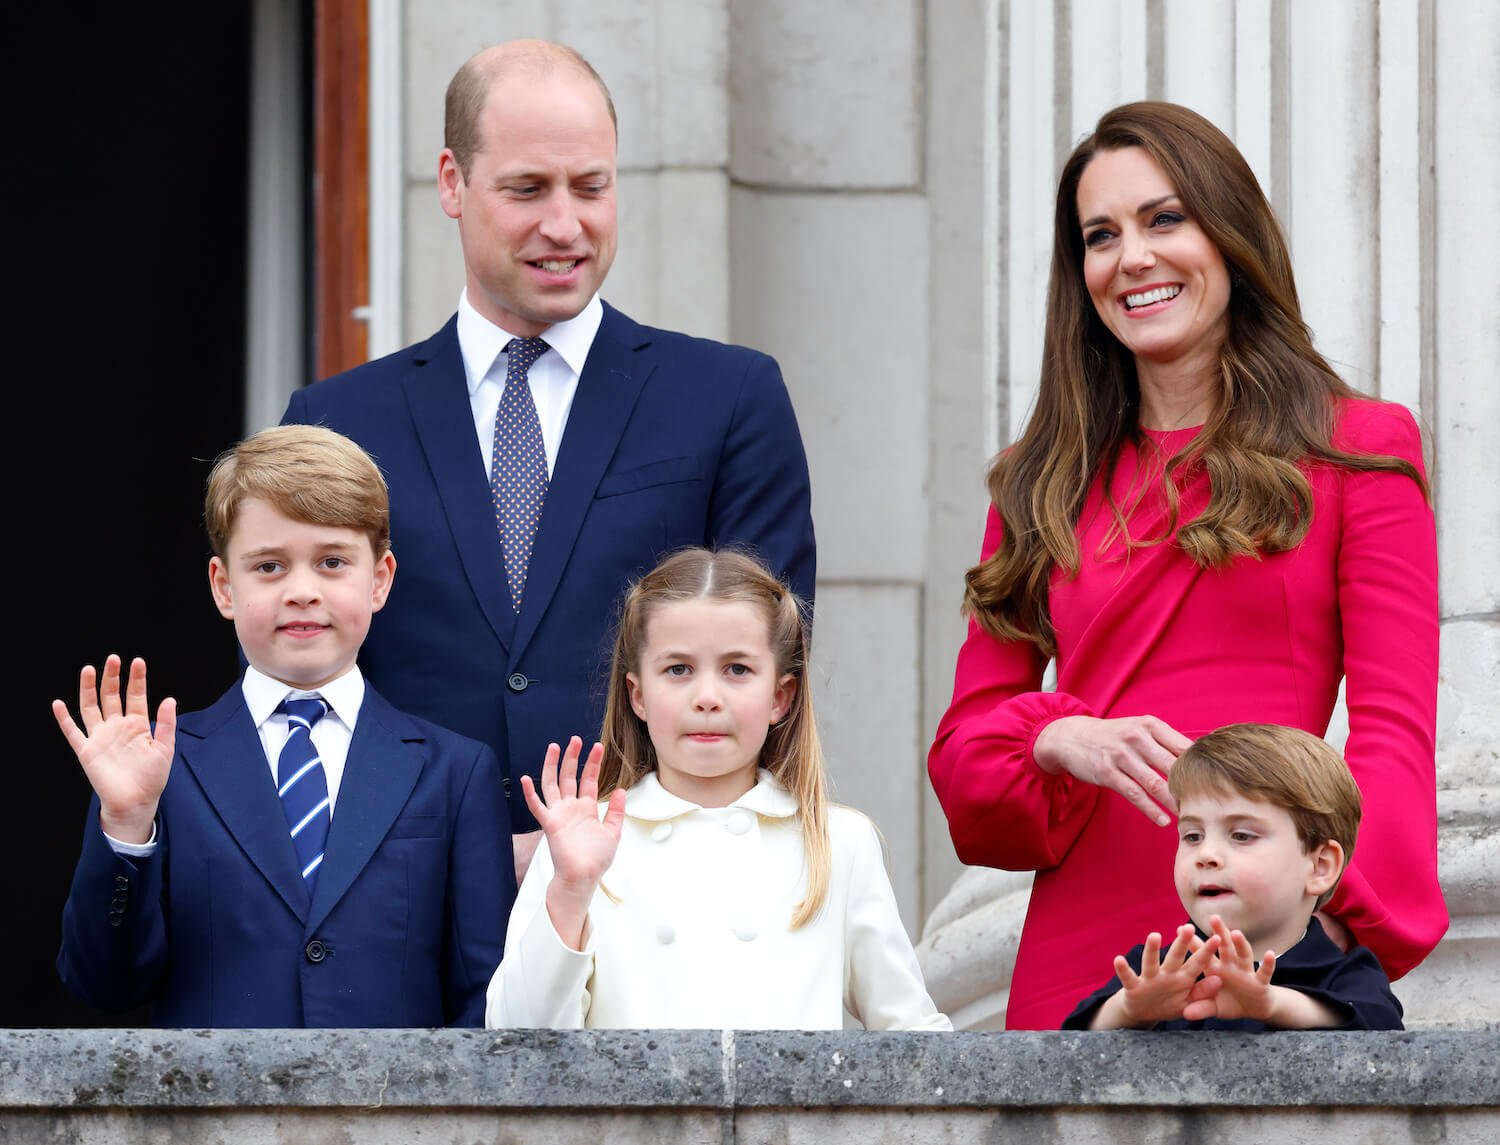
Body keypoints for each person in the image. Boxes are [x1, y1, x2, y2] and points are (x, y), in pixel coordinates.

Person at [927, 101, 1445, 1030]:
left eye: (1165, 219)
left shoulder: (1358, 446)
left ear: (1230, 235)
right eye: (1101, 235)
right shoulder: (1036, 482)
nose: (1133, 258)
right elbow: (968, 762)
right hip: (1084, 961)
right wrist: (1060, 735)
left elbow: (1394, 732)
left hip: (1268, 947)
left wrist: (1330, 917)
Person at [281, 39, 815, 882]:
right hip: (401, 913)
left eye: (591, 187)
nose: (564, 225)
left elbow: (767, 673)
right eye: (528, 188)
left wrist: (602, 845)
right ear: (452, 183)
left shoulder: (730, 398)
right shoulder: (338, 421)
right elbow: (293, 693)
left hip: (655, 905)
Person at [53, 425, 515, 1027]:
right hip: (213, 1117)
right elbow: (103, 985)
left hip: (395, 1117)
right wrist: (125, 825)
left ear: (379, 578)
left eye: (331, 562)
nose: (301, 591)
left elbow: (487, 994)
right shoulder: (163, 765)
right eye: (269, 566)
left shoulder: (454, 771)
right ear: (224, 586)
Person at [485, 547, 950, 1030]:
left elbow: (911, 1038)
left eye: (737, 669)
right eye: (678, 669)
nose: (707, 698)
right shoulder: (580, 841)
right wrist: (571, 889)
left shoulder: (838, 842)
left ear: (780, 697)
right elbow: (517, 1041)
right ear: (637, 696)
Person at [1064, 723, 1403, 1031]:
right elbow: (1065, 1057)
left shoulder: (1346, 974)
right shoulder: (1158, 972)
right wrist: (1130, 1009)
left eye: (1241, 835)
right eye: (1193, 836)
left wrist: (1271, 1003)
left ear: (1319, 867)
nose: (1206, 856)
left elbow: (1385, 1035)